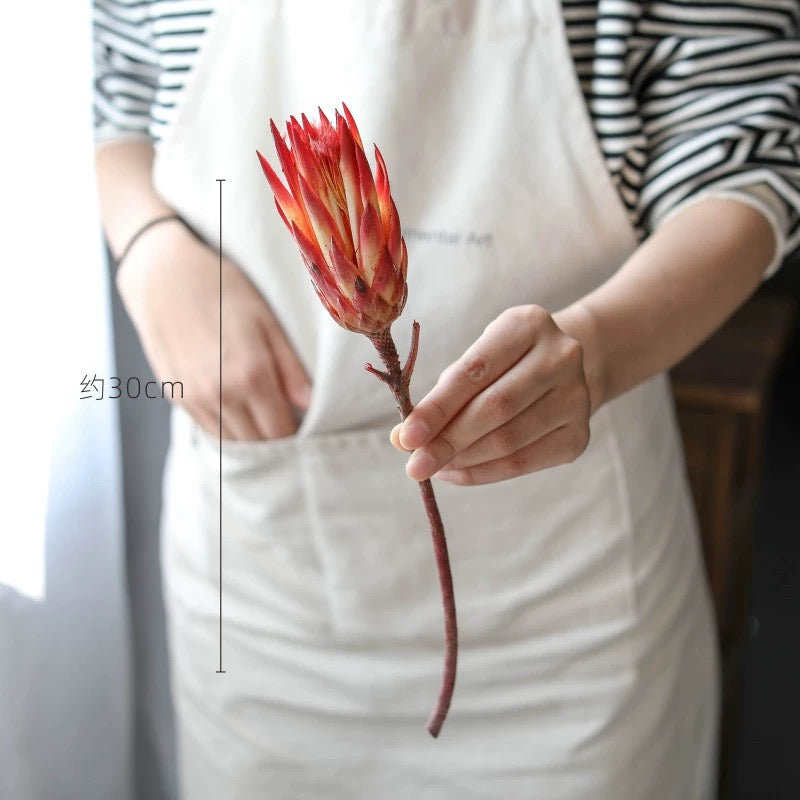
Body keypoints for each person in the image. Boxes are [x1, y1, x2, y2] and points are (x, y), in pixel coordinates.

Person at [93, 1, 799, 798]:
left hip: (569, 611)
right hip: (261, 600)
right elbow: (119, 91)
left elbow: (747, 147)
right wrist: (148, 248)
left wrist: (596, 352)